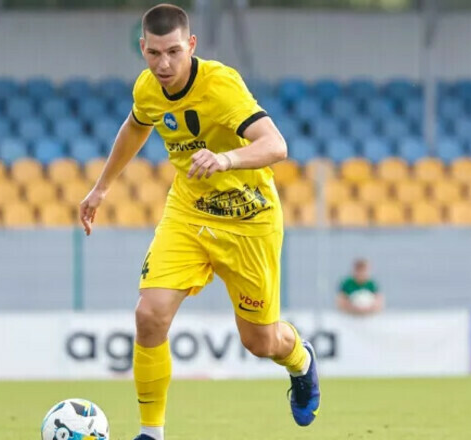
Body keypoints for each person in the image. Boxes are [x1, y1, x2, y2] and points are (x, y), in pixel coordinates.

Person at [79, 4, 320, 439]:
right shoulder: (148, 88)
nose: (164, 64)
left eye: (173, 51)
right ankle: (152, 433)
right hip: (188, 214)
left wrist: (226, 159)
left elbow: (276, 145)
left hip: (248, 220)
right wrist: (101, 187)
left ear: (191, 45)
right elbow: (136, 126)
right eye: (154, 53)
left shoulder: (220, 84)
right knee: (149, 314)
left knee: (260, 342)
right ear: (143, 48)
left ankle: (300, 360)